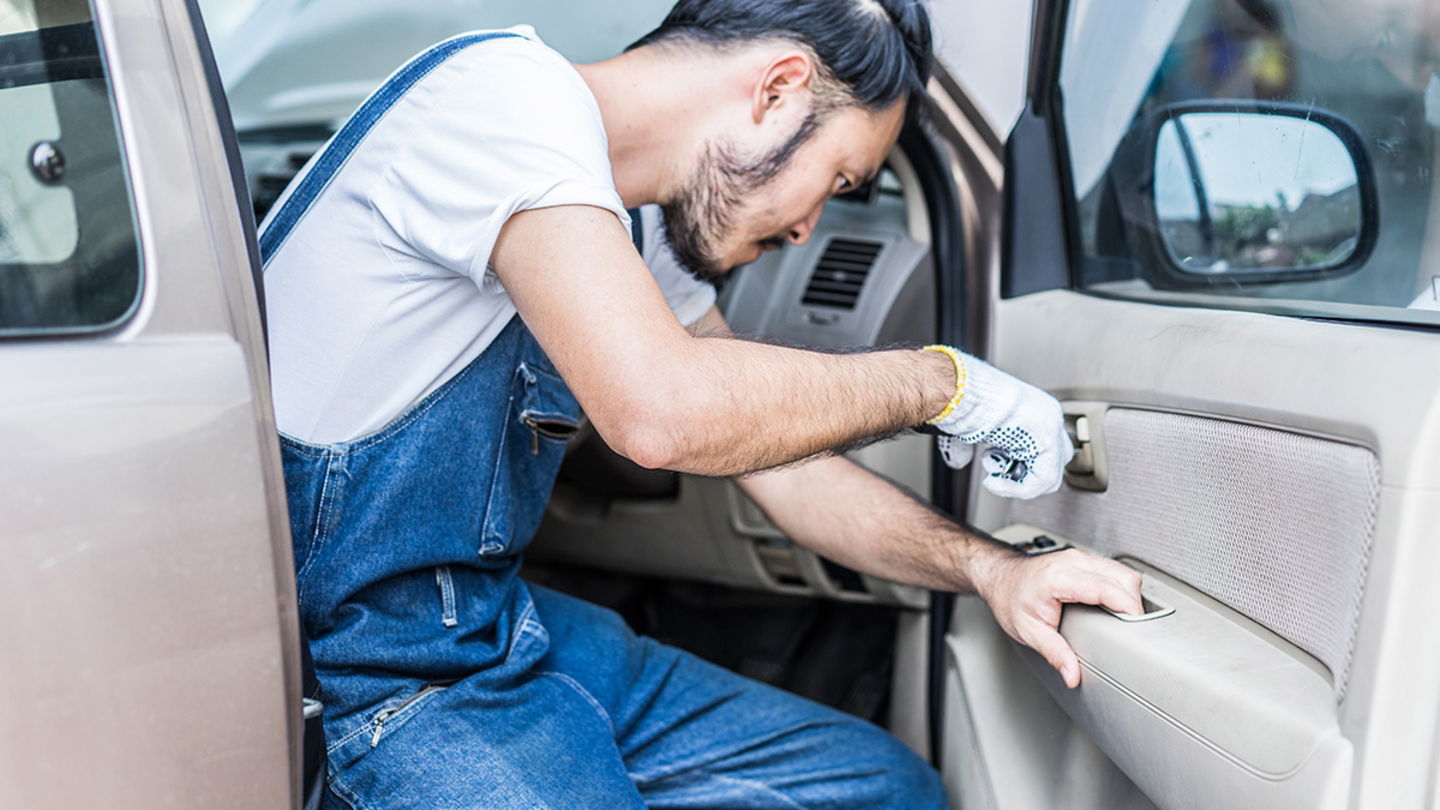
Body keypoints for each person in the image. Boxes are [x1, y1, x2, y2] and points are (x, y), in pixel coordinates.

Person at [260, 0, 1144, 806]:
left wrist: (992, 570)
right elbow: (663, 414)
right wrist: (944, 385)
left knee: (882, 790)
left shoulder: (634, 225)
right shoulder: (504, 98)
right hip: (363, 671)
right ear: (779, 87)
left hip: (488, 628)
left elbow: (789, 472)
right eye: (840, 181)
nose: (807, 230)